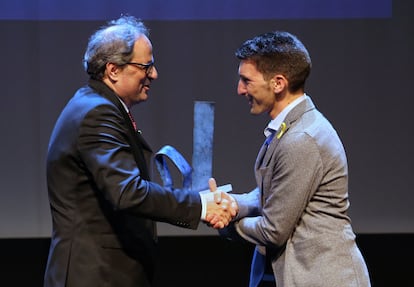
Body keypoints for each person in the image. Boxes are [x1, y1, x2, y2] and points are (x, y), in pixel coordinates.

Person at [43, 15, 236, 287]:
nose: (154, 74)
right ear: (113, 70)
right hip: (95, 275)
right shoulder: (97, 113)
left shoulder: (97, 105)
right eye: (146, 66)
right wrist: (202, 206)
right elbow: (127, 192)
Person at [214, 31, 371, 286]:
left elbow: (273, 230)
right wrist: (233, 203)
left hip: (324, 277)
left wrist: (229, 222)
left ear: (278, 83)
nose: (240, 89)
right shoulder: (291, 127)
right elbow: (273, 192)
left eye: (246, 80)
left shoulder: (302, 138)